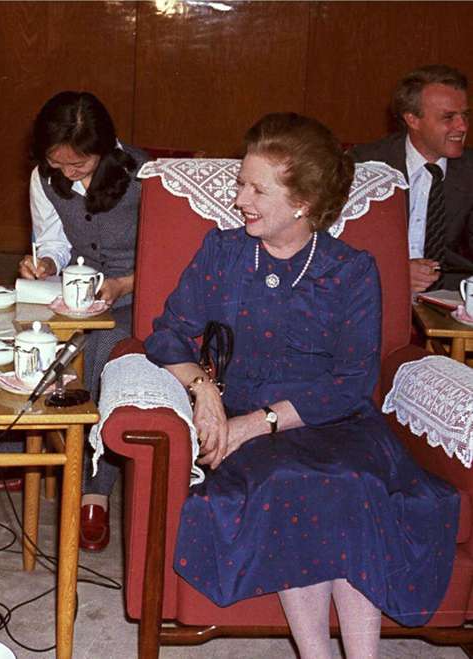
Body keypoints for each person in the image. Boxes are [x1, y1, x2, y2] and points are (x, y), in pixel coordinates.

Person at [146, 113, 458, 657]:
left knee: (353, 482)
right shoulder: (224, 252)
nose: (239, 196)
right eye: (240, 181)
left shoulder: (351, 270)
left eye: (254, 188)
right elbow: (167, 334)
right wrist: (206, 391)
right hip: (256, 431)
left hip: (332, 421)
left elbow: (354, 382)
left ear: (302, 203)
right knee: (292, 480)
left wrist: (259, 422)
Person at [2, 91, 146, 552]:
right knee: (22, 334)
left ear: (103, 148)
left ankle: (93, 490)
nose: (66, 174)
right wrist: (44, 263)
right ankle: (27, 452)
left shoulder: (146, 176)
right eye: (56, 164)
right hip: (77, 291)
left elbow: (175, 258)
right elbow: (55, 243)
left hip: (138, 292)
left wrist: (123, 285)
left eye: (77, 165)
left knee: (103, 351)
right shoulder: (44, 178)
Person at [351, 64, 473, 292]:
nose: (463, 126)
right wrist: (392, 271)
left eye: (464, 115)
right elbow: (340, 246)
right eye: (449, 117)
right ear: (413, 120)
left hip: (453, 299)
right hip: (377, 290)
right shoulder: (365, 165)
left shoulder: (469, 172)